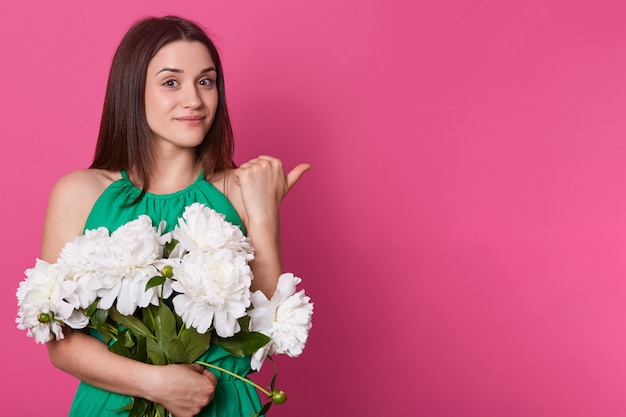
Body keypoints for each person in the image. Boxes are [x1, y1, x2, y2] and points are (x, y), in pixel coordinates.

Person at [40, 15, 309, 417]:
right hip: (114, 406)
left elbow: (264, 331)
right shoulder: (80, 192)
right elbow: (59, 340)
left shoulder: (241, 188)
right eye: (171, 82)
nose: (195, 100)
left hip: (221, 405)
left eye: (206, 81)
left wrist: (266, 214)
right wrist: (155, 384)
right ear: (132, 91)